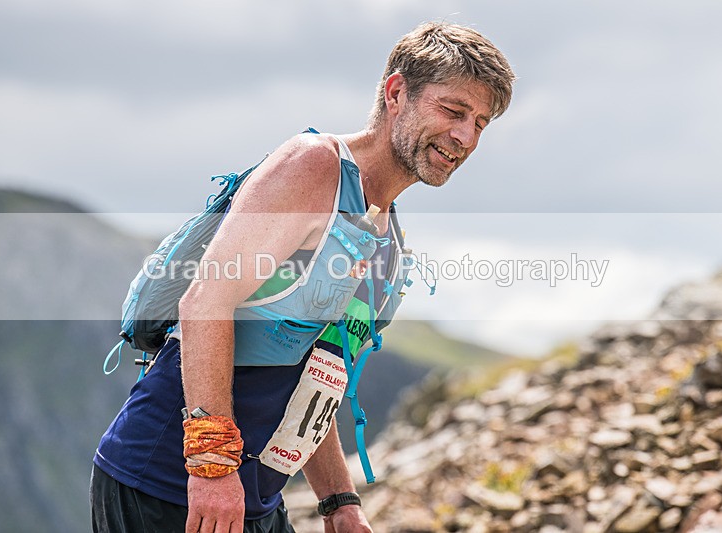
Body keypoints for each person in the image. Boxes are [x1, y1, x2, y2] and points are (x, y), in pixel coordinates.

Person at [91, 21, 514, 533]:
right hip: (168, 485)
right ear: (397, 93)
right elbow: (205, 300)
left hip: (254, 499)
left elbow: (315, 377)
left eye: (481, 123)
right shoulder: (313, 167)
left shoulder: (388, 237)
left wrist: (339, 500)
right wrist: (212, 467)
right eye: (453, 111)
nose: (466, 137)